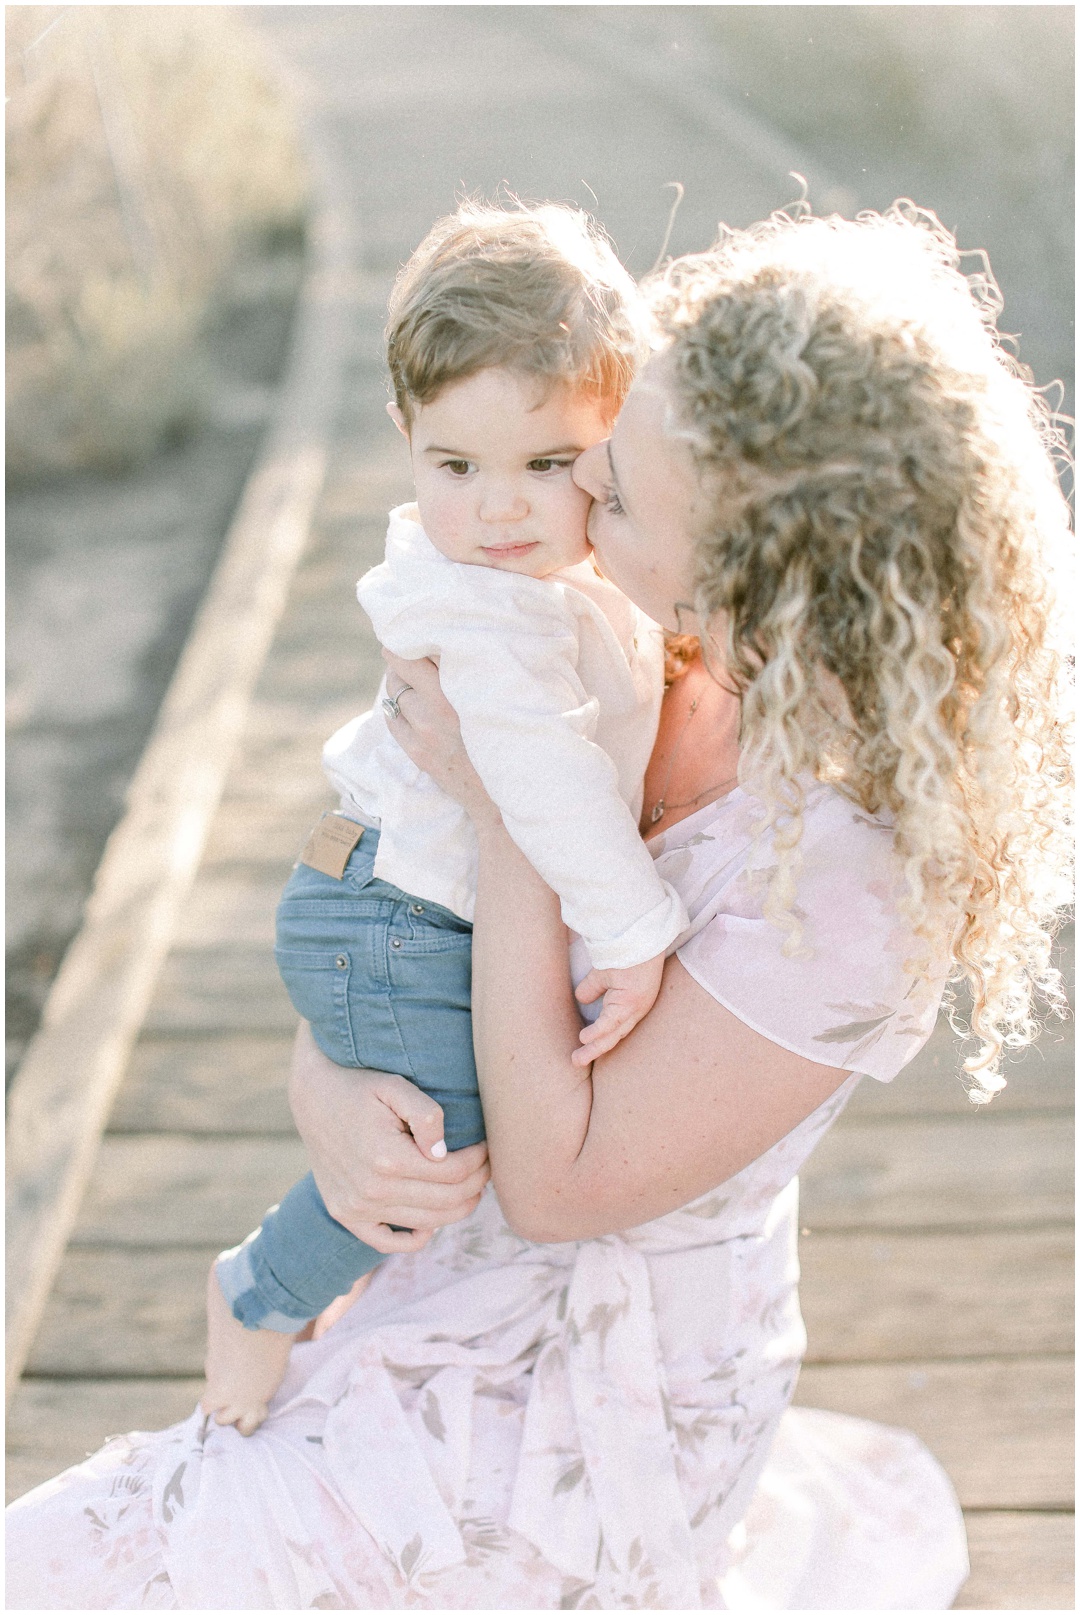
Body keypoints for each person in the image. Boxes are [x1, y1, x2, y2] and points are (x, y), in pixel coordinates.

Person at [6, 203, 1071, 1611]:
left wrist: (514, 798)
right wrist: (327, 1081)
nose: (568, 513)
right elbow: (399, 918)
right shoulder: (616, 631)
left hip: (590, 1395)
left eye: (612, 493)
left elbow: (561, 1185)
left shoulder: (854, 886)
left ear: (760, 574)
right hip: (430, 1254)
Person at [203, 203, 690, 1436]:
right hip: (394, 914)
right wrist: (632, 931)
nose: (500, 510)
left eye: (547, 464)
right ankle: (263, 1293)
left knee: (441, 1122)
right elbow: (536, 775)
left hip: (378, 889)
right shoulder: (487, 609)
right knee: (447, 1144)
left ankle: (326, 1283)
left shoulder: (540, 584)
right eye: (455, 467)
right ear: (406, 439)